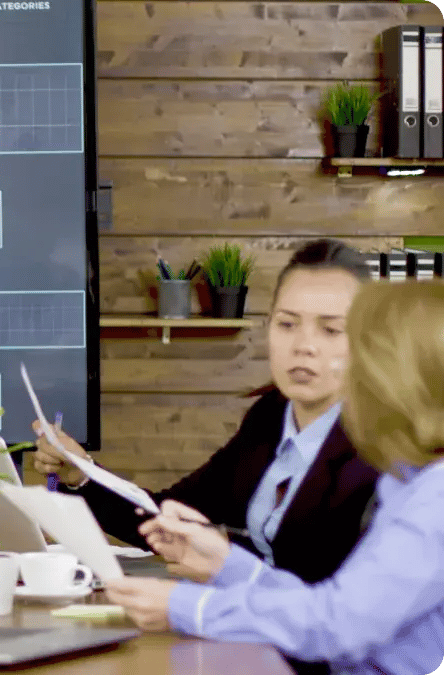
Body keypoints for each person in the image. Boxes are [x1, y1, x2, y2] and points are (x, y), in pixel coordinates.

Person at [34, 239, 380, 675]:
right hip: (246, 649)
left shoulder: (384, 450)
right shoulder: (270, 416)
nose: (304, 346)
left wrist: (203, 595)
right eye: (287, 325)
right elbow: (166, 517)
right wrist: (80, 475)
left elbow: (343, 617)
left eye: (331, 330)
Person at [105, 280, 444, 675]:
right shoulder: (409, 482)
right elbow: (330, 604)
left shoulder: (435, 498)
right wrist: (227, 564)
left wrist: (184, 606)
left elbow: (336, 627)